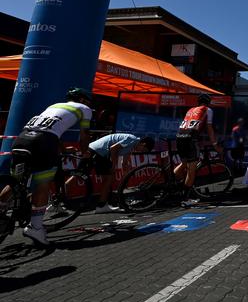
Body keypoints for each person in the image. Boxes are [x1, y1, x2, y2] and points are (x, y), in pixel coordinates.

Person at [10, 87, 93, 246]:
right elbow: (85, 135)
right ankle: (35, 227)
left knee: (15, 182)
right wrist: (84, 152)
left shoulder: (53, 106)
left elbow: (50, 129)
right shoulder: (85, 109)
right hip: (44, 142)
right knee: (43, 184)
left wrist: (61, 149)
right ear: (82, 100)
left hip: (23, 138)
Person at [87, 133, 155, 212]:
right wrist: (114, 165)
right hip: (100, 151)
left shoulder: (132, 146)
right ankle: (101, 206)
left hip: (94, 148)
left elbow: (124, 163)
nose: (141, 152)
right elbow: (113, 148)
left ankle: (103, 205)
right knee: (108, 179)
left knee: (79, 174)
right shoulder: (132, 139)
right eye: (143, 150)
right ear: (143, 144)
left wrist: (125, 174)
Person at [174, 93, 219, 207]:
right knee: (191, 170)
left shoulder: (191, 109)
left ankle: (173, 183)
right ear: (208, 102)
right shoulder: (207, 110)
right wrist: (215, 144)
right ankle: (185, 199)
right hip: (190, 139)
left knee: (184, 163)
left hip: (179, 137)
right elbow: (209, 128)